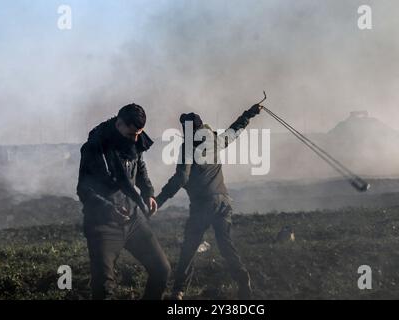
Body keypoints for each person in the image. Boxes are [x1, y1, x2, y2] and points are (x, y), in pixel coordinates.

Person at [155, 103, 263, 300]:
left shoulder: (188, 146)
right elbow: (234, 130)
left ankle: (178, 291)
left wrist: (158, 201)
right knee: (226, 245)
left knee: (189, 247)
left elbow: (181, 178)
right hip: (223, 202)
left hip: (202, 204)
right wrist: (250, 113)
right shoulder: (213, 140)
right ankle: (242, 280)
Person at [77, 103, 171, 300]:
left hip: (133, 219)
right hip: (104, 225)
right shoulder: (95, 148)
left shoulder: (134, 141)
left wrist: (148, 193)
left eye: (138, 134)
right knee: (103, 291)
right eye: (131, 134)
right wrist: (108, 209)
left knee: (162, 270)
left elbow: (140, 167)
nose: (135, 140)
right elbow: (84, 189)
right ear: (119, 124)